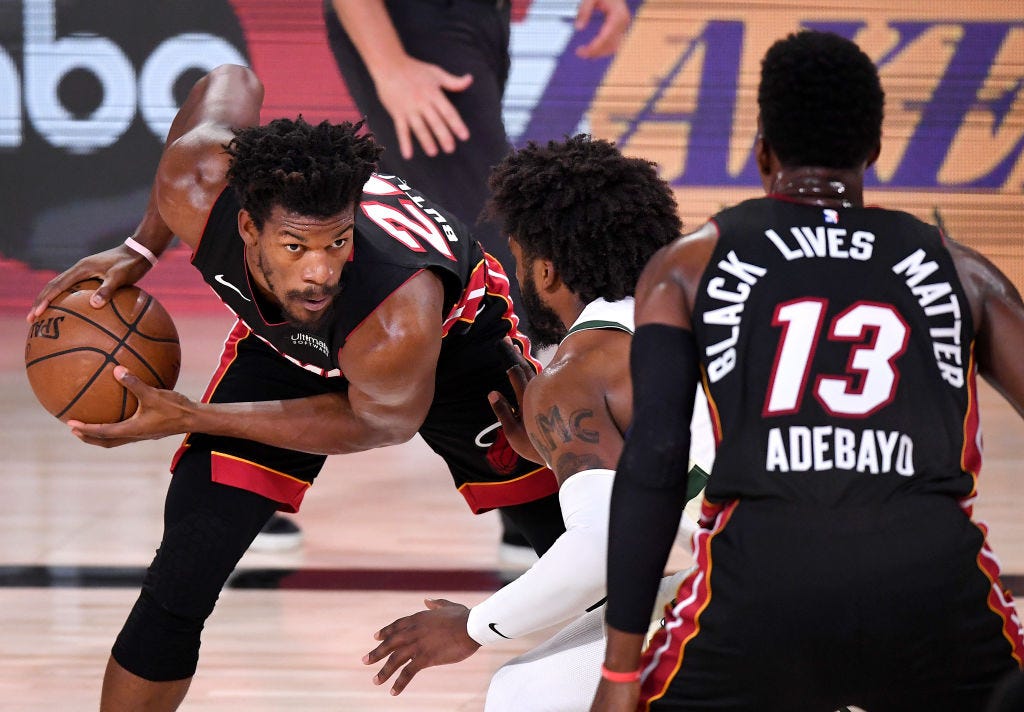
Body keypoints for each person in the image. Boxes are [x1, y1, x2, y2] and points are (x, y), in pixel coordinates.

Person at [27, 63, 567, 711]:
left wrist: (195, 416)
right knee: (180, 581)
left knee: (579, 553)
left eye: (337, 243)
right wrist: (141, 249)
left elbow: (378, 422)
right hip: (283, 347)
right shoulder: (196, 180)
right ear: (247, 229)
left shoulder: (397, 315)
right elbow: (232, 79)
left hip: (456, 353)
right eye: (294, 248)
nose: (319, 273)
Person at [593, 30, 1024, 712]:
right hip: (935, 590)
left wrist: (618, 674)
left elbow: (656, 458)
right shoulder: (962, 269)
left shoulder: (687, 265)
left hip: (760, 588)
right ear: (873, 150)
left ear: (762, 150)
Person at [361, 135, 713, 710]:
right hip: (862, 566)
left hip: (771, 593)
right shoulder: (719, 309)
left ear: (545, 272)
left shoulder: (578, 372)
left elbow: (601, 550)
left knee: (524, 692)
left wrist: (474, 627)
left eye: (520, 259)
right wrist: (556, 453)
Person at [323, 0, 632, 562]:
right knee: (505, 257)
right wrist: (389, 62)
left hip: (472, 23)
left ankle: (246, 462)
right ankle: (537, 509)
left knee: (411, 247)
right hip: (418, 27)